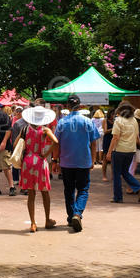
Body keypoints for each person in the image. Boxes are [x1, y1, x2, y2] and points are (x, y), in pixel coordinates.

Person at [54, 94, 100, 233]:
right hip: (83, 161)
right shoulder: (87, 122)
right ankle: (77, 213)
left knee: (69, 190)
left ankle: (71, 217)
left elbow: (57, 144)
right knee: (83, 189)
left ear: (67, 106)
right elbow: (94, 143)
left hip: (66, 162)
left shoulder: (61, 123)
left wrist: (55, 161)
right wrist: (93, 160)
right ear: (80, 106)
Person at [19, 106, 58, 232]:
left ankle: (33, 223)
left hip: (27, 162)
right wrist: (46, 154)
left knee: (31, 193)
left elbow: (16, 144)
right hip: (40, 162)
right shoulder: (45, 130)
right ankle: (47, 220)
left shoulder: (24, 129)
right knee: (45, 192)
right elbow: (56, 142)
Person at [106, 103, 140, 203]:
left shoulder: (118, 121)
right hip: (130, 151)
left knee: (117, 174)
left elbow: (115, 137)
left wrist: (109, 152)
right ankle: (139, 187)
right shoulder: (134, 121)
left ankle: (118, 197)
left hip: (119, 150)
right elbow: (137, 137)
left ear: (120, 112)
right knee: (124, 172)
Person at [11, 105, 28, 194]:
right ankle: (23, 186)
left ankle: (25, 186)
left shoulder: (33, 123)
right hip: (21, 148)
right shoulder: (18, 123)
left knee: (25, 169)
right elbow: (14, 138)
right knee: (21, 167)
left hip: (29, 149)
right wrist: (15, 149)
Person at [101, 108, 115, 182]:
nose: (114, 115)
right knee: (105, 159)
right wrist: (114, 128)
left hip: (114, 140)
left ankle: (113, 176)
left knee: (113, 160)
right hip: (107, 140)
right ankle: (104, 175)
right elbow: (105, 131)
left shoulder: (115, 121)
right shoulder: (105, 120)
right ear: (110, 114)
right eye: (113, 114)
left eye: (114, 114)